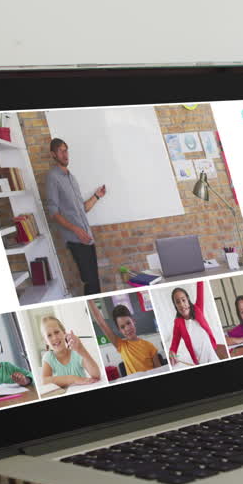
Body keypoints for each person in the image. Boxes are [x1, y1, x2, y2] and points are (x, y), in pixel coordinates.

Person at [44, 137, 107, 296]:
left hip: (88, 238)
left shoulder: (72, 178)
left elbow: (82, 208)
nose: (66, 154)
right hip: (75, 239)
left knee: (94, 282)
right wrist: (76, 230)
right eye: (61, 151)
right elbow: (53, 212)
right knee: (90, 282)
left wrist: (97, 196)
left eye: (66, 150)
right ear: (53, 154)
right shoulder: (52, 177)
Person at [87, 299, 162, 375]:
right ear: (119, 330)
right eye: (122, 327)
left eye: (128, 323)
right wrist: (89, 300)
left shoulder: (150, 346)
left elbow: (159, 370)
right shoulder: (121, 345)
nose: (127, 328)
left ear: (133, 321)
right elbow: (101, 323)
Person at [168, 281, 222, 366]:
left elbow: (200, 286)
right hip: (199, 361)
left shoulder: (198, 309)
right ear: (175, 306)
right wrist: (172, 351)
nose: (182, 304)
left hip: (211, 353)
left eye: (183, 300)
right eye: (178, 302)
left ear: (188, 300)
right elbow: (174, 342)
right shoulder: (178, 323)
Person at [38, 315, 100, 388]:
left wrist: (81, 349)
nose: (54, 338)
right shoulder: (48, 357)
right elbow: (44, 381)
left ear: (64, 332)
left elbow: (96, 375)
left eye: (57, 332)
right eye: (49, 335)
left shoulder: (76, 352)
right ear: (45, 341)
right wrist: (72, 379)